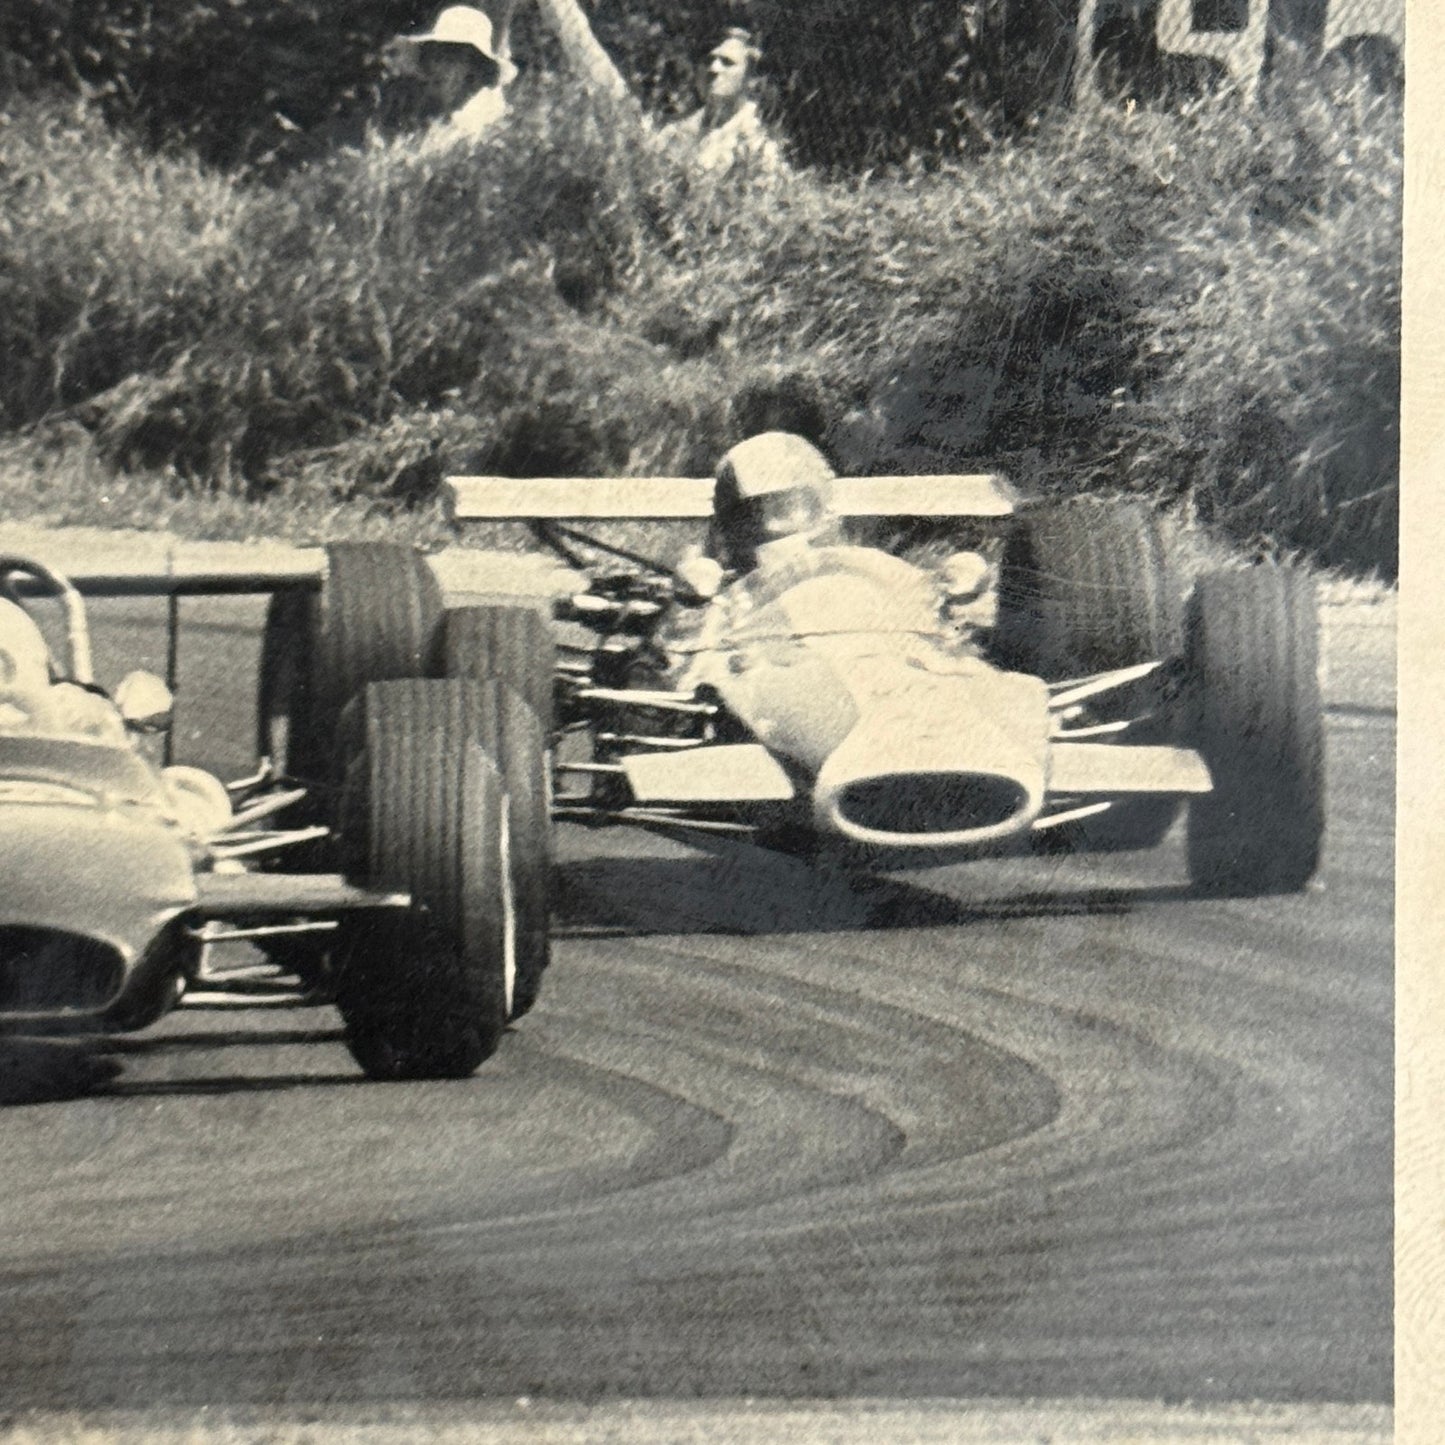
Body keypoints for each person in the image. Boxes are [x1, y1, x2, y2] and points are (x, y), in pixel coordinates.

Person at [384, 4, 517, 152]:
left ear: (475, 67)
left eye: (450, 58)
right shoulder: (434, 120)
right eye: (435, 56)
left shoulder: (484, 121)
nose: (436, 68)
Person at [659, 28, 784, 176]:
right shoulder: (675, 132)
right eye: (708, 61)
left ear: (749, 76)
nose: (713, 68)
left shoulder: (758, 147)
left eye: (727, 62)